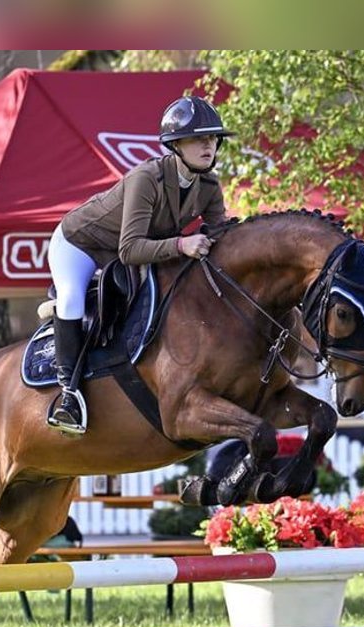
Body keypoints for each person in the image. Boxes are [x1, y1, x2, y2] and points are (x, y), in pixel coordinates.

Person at [45, 96, 234, 435]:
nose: (209, 145)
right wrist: (181, 243)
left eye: (213, 138)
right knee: (71, 298)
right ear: (175, 145)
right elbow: (130, 249)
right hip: (81, 244)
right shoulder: (146, 179)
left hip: (132, 250)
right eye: (199, 138)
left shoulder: (208, 185)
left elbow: (222, 237)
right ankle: (68, 397)